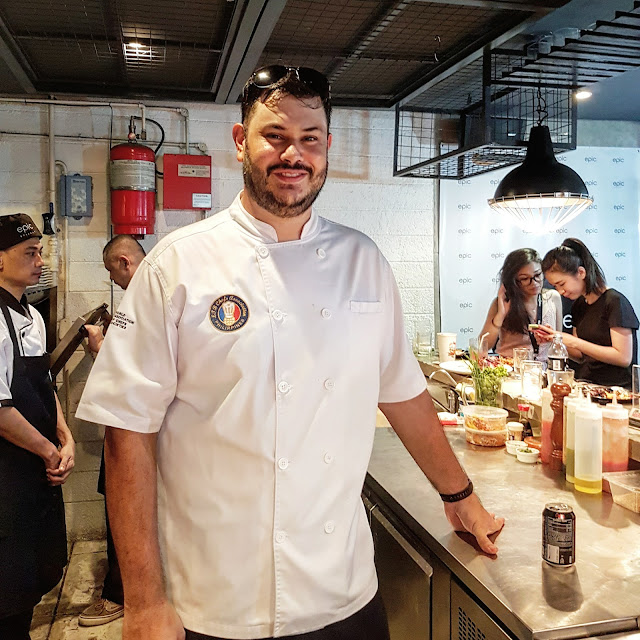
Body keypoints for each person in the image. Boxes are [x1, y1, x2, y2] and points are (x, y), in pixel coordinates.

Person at [76, 65, 503, 640]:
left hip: (342, 590)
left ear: (327, 147)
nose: (292, 155)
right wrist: (144, 601)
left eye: (309, 139)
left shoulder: (364, 261)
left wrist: (460, 495)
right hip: (212, 598)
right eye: (274, 136)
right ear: (240, 141)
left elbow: (403, 394)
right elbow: (128, 431)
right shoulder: (176, 265)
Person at [0, 213, 75, 639]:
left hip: (36, 470)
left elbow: (43, 384)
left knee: (32, 574)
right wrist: (49, 452)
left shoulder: (32, 314)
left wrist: (64, 436)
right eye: (30, 253)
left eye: (40, 252)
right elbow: (0, 409)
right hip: (9, 471)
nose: (40, 262)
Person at [78, 235, 146, 627]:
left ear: (124, 261)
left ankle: (120, 595)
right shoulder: (153, 292)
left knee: (124, 506)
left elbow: (128, 367)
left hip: (134, 423)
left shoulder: (140, 299)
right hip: (138, 420)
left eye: (110, 271)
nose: (111, 279)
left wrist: (98, 347)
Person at [539, 238, 638, 387]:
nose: (560, 291)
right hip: (587, 385)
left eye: (562, 284)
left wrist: (574, 341)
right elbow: (580, 356)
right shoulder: (579, 305)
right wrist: (554, 340)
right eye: (555, 286)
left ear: (581, 272)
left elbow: (623, 357)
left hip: (616, 390)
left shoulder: (614, 302)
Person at [480, 248, 562, 362]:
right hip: (509, 366)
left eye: (538, 275)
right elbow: (482, 346)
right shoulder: (504, 302)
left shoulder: (553, 297)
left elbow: (559, 342)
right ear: (514, 281)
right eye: (525, 278)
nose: (534, 282)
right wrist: (501, 315)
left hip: (543, 368)